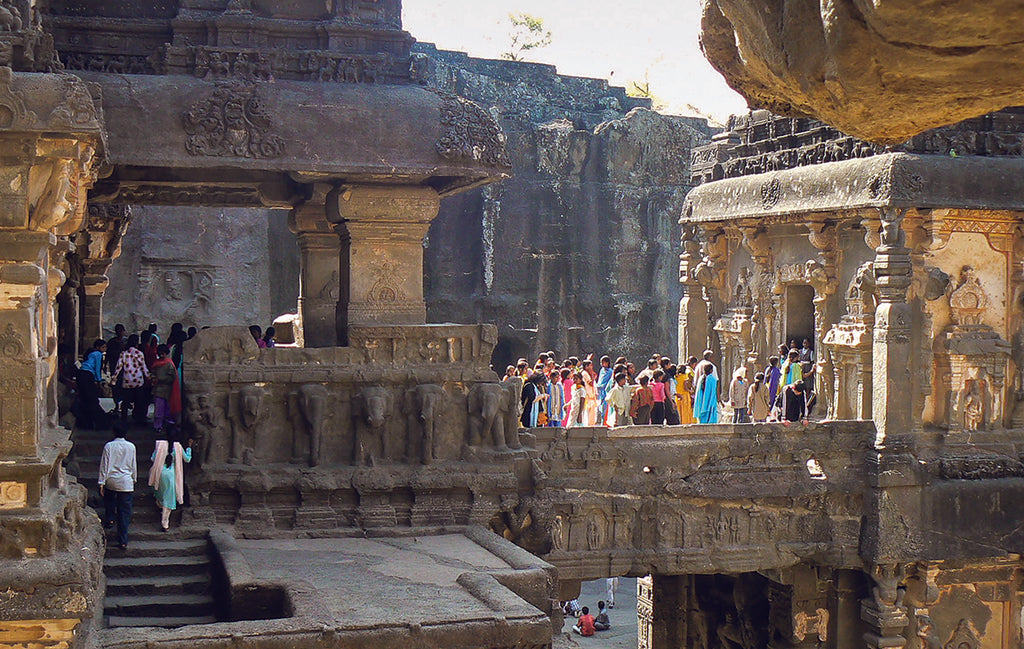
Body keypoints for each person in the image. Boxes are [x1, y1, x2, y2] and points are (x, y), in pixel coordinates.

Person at [98, 421, 137, 549]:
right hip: (126, 482)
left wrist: (101, 482)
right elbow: (133, 465)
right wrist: (133, 479)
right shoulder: (131, 447)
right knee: (124, 512)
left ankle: (110, 519)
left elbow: (104, 465)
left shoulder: (109, 446)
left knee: (109, 501)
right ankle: (123, 540)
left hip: (112, 480)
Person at [149, 429, 192, 531]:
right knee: (169, 500)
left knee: (160, 492)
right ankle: (165, 523)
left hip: (160, 472)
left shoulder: (160, 444)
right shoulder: (178, 446)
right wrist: (189, 448)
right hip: (171, 475)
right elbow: (187, 459)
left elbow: (152, 458)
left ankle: (160, 505)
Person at [113, 334, 150, 423]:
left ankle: (124, 419)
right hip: (138, 380)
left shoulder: (124, 353)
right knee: (139, 400)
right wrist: (149, 377)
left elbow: (118, 367)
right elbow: (143, 367)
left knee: (126, 401)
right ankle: (139, 419)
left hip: (127, 380)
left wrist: (114, 377)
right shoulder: (139, 353)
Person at [76, 339, 107, 429]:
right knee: (92, 400)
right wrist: (99, 381)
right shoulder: (98, 354)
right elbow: (98, 368)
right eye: (103, 347)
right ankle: (100, 423)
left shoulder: (91, 353)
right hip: (87, 375)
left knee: (85, 399)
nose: (105, 349)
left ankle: (87, 423)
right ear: (98, 347)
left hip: (81, 374)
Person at [151, 344, 181, 431]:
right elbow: (152, 373)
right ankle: (158, 426)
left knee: (168, 409)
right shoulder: (156, 363)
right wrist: (153, 378)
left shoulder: (169, 364)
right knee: (158, 410)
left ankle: (168, 425)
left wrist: (161, 379)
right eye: (160, 353)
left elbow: (173, 377)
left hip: (168, 389)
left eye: (163, 353)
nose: (161, 355)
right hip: (158, 390)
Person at [676, 357, 698, 424]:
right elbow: (687, 385)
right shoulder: (687, 374)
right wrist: (691, 391)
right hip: (685, 395)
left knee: (679, 411)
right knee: (686, 411)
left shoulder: (676, 377)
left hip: (678, 395)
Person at [596, 356, 613, 423]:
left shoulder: (610, 372)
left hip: (606, 392)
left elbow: (607, 382)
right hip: (600, 392)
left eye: (604, 362)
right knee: (600, 409)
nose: (602, 364)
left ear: (607, 363)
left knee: (605, 409)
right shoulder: (602, 370)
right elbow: (600, 380)